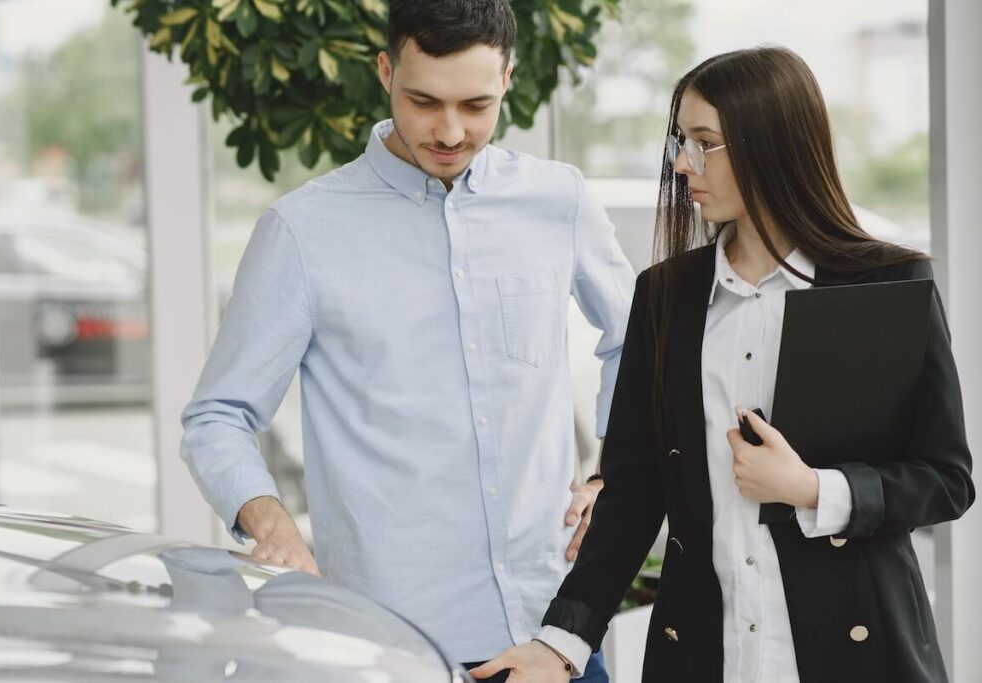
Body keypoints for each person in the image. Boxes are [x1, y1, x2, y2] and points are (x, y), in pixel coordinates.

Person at [470, 46, 975, 683]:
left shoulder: (886, 281)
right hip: (707, 655)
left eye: (705, 142)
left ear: (772, 144)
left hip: (856, 655)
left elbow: (945, 478)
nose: (684, 163)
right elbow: (631, 493)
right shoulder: (665, 295)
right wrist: (561, 642)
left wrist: (812, 490)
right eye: (682, 141)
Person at [179, 0, 634, 679]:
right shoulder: (302, 232)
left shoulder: (559, 201)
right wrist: (268, 517)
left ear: (508, 78)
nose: (449, 130)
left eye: (476, 105)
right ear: (386, 71)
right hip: (390, 648)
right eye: (424, 101)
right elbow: (217, 416)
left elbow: (635, 338)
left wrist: (611, 472)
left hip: (553, 638)